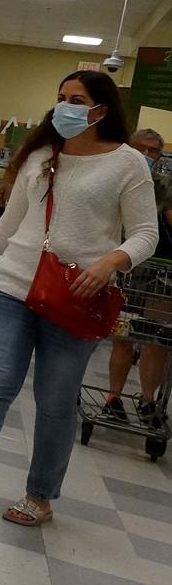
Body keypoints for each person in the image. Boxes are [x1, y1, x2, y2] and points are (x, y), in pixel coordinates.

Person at [0, 71, 158, 528]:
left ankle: (40, 496)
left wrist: (110, 262)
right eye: (61, 97)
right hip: (14, 283)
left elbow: (146, 233)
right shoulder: (43, 155)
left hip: (76, 292)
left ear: (100, 110)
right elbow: (10, 220)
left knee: (55, 399)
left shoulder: (128, 164)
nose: (65, 106)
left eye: (77, 99)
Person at [105, 128, 172, 425]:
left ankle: (147, 400)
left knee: (157, 339)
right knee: (123, 336)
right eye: (140, 148)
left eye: (153, 151)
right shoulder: (113, 178)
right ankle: (113, 397)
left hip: (160, 276)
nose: (146, 156)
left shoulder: (165, 187)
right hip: (124, 270)